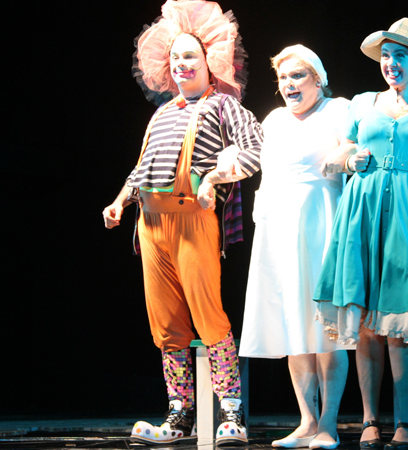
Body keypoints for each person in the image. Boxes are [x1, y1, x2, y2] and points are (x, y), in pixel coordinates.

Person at [102, 0, 262, 446]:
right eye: (175, 57)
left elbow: (256, 148)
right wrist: (120, 202)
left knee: (209, 315)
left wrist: (214, 178)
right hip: (151, 225)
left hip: (193, 219)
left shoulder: (224, 107)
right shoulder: (163, 113)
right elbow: (142, 169)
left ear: (211, 62)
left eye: (189, 55)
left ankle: (232, 411)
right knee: (167, 324)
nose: (181, 63)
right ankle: (179, 415)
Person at [313, 17, 408, 450]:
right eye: (387, 56)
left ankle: (406, 422)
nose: (391, 63)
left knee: (400, 322)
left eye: (400, 56)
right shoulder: (362, 103)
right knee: (366, 324)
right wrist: (348, 158)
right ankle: (370, 419)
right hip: (363, 211)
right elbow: (337, 152)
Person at [239, 44, 354, 450]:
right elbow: (267, 175)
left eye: (298, 75)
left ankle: (329, 424)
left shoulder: (337, 109)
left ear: (317, 79)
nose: (289, 84)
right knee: (293, 324)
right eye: (283, 78)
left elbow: (353, 147)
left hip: (323, 224)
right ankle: (306, 421)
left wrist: (344, 152)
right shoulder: (273, 120)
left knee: (325, 327)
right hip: (280, 229)